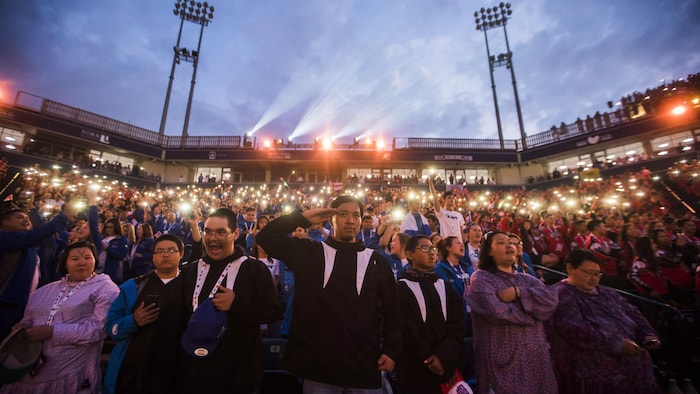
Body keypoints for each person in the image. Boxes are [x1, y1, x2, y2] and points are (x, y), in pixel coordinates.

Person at [257, 195, 402, 393]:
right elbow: (266, 237)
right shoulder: (310, 252)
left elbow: (392, 310)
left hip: (364, 365)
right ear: (331, 218)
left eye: (356, 215)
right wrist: (303, 218)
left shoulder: (376, 261)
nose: (350, 220)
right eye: (343, 214)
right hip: (319, 367)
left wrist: (392, 350)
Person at [153, 208, 282, 393]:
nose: (213, 238)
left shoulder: (254, 269)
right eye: (208, 232)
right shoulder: (191, 271)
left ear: (235, 233)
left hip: (236, 374)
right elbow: (175, 319)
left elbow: (273, 311)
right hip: (192, 371)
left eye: (221, 232)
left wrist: (237, 303)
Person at [0, 241, 119, 393]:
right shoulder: (47, 289)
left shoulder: (105, 288)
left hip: (69, 371)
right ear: (65, 264)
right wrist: (22, 326)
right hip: (29, 366)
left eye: (87, 257)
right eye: (75, 259)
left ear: (95, 260)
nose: (82, 262)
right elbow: (30, 316)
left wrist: (53, 331)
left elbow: (98, 329)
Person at [547, 249, 661, 393]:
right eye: (588, 273)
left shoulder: (608, 293)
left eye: (597, 274)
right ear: (570, 268)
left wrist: (647, 334)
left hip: (633, 369)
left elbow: (633, 313)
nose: (593, 278)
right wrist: (617, 344)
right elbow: (573, 328)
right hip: (591, 373)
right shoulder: (559, 295)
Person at [465, 231, 558, 394]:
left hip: (536, 360)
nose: (509, 245)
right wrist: (534, 314)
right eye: (501, 242)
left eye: (511, 242)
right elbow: (497, 311)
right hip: (502, 364)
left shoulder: (526, 279)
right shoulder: (481, 279)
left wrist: (518, 292)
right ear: (489, 251)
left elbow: (551, 300)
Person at [103, 234, 184, 394]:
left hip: (177, 369)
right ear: (153, 257)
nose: (165, 254)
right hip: (135, 371)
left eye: (171, 250)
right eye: (159, 251)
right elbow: (112, 328)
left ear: (181, 254)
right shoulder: (132, 287)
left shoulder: (190, 287)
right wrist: (133, 321)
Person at [396, 235, 465, 394]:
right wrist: (430, 357)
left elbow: (456, 325)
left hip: (445, 366)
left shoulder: (445, 286)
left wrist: (443, 356)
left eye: (433, 249)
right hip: (414, 370)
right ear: (410, 255)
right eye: (425, 248)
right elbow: (406, 329)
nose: (432, 253)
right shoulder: (401, 288)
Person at [0, 203, 77, 343]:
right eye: (19, 217)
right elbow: (36, 234)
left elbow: (46, 241)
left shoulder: (29, 246)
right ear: (4, 222)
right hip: (6, 304)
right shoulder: (4, 238)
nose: (25, 220)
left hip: (25, 305)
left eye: (27, 218)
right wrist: (64, 215)